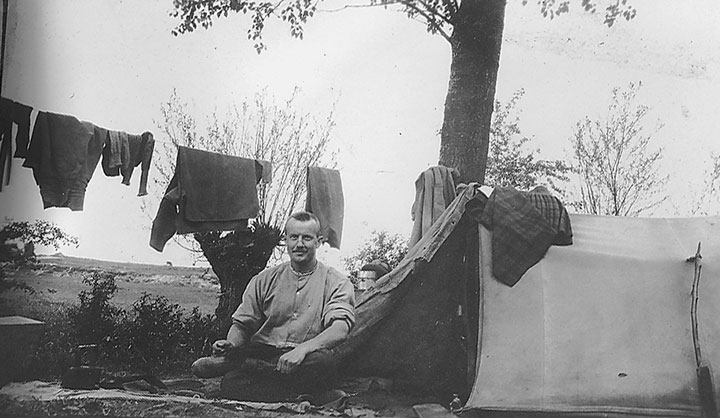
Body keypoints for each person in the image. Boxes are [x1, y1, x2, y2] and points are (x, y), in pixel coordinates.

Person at [191, 211, 355, 402]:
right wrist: (232, 344)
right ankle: (310, 396)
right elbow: (242, 325)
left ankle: (246, 368)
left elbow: (340, 330)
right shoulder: (264, 279)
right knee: (231, 383)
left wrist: (301, 351)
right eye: (294, 237)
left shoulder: (336, 282)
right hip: (265, 352)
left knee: (323, 362)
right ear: (285, 240)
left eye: (307, 238)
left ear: (318, 242)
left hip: (307, 357)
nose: (299, 244)